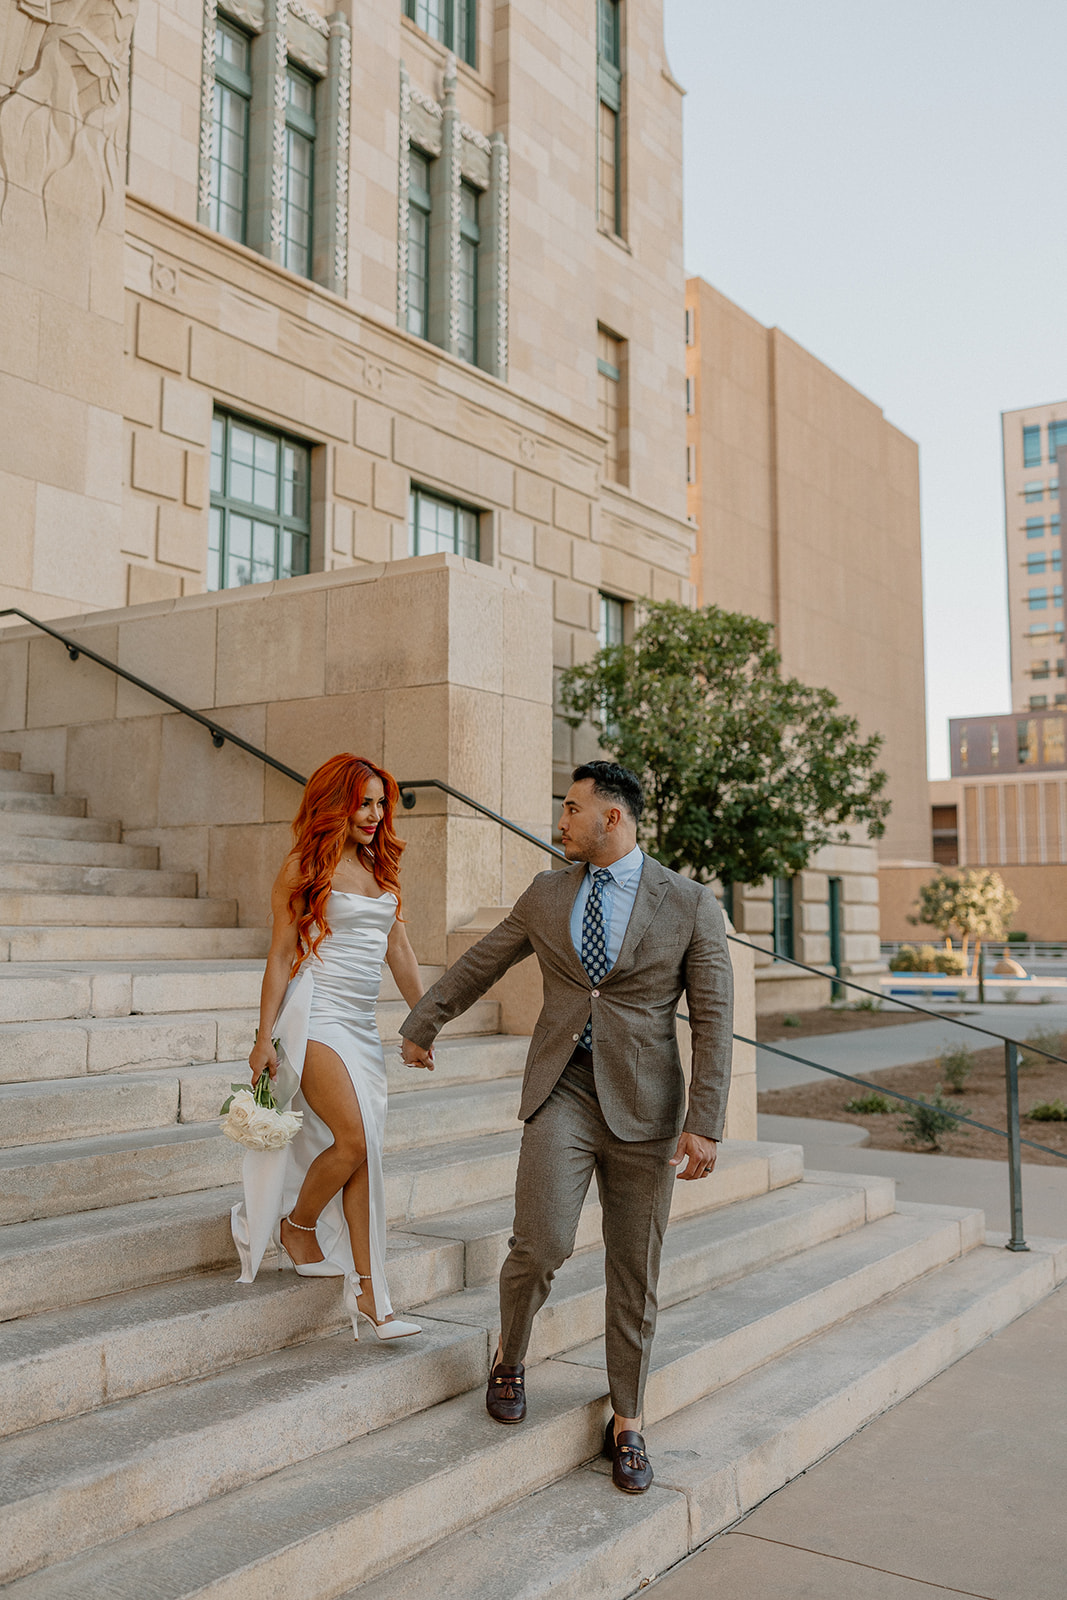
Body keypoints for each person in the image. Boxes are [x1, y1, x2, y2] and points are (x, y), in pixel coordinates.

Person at [399, 761, 734, 1491]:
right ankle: (509, 1358)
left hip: (646, 1113)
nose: (560, 821)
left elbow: (713, 1018)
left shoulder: (687, 902)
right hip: (563, 1092)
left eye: (571, 809)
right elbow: (481, 961)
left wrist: (703, 1122)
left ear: (611, 817)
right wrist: (424, 1021)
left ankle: (629, 1419)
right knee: (540, 1242)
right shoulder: (547, 893)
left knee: (633, 1268)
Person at [232, 754, 432, 1340]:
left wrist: (424, 1023)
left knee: (364, 1147)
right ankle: (314, 1240)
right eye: (363, 802)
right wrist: (262, 1037)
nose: (373, 814)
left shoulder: (380, 864)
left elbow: (399, 950)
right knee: (354, 1137)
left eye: (379, 803)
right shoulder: (303, 865)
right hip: (315, 1013)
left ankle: (361, 1284)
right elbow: (278, 956)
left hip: (361, 1026)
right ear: (335, 804)